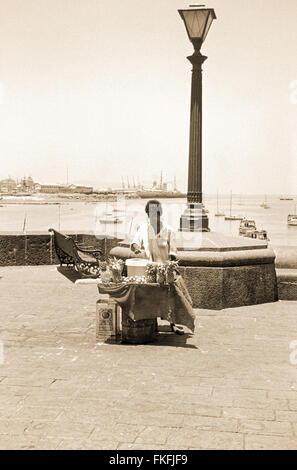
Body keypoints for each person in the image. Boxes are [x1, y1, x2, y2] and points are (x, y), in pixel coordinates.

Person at [131, 200, 184, 335]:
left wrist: (171, 268)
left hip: (165, 269)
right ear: (147, 215)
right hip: (148, 268)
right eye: (150, 214)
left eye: (156, 214)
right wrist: (137, 248)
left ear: (160, 214)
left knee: (170, 297)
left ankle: (173, 324)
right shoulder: (143, 228)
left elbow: (173, 252)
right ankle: (150, 323)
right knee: (149, 296)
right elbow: (135, 242)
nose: (153, 217)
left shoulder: (169, 230)